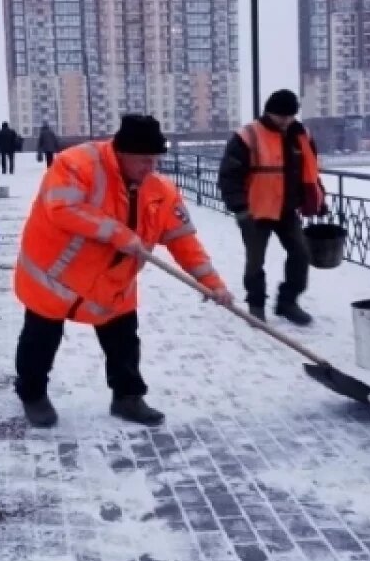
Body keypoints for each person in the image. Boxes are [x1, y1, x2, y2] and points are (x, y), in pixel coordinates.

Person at [13, 114, 233, 428]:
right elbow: (61, 209)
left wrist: (212, 284)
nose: (151, 167)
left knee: (124, 340)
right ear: (122, 153)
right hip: (54, 276)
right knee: (41, 338)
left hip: (113, 282)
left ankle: (128, 398)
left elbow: (184, 241)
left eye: (155, 160)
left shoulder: (160, 191)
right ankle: (32, 394)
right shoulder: (76, 164)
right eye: (144, 160)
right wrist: (118, 234)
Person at [217, 89, 326, 326]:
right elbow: (229, 176)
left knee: (301, 253)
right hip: (255, 211)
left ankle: (288, 302)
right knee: (255, 261)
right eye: (280, 116)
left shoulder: (301, 135)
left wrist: (318, 198)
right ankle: (256, 306)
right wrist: (240, 208)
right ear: (268, 112)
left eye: (289, 116)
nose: (285, 121)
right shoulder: (248, 135)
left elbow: (311, 171)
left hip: (287, 210)